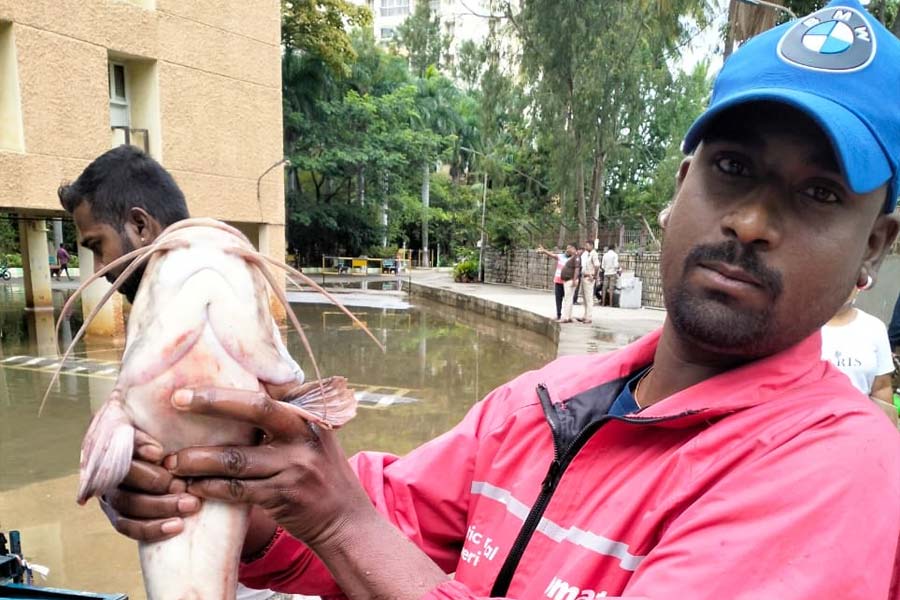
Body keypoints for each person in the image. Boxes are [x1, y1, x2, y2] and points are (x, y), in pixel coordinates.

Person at [96, 2, 900, 598]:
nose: (753, 221)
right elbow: (387, 519)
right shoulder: (541, 404)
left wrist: (345, 523)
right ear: (683, 181)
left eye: (820, 193)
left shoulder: (841, 471)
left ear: (875, 244)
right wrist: (210, 482)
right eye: (732, 168)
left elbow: (357, 525)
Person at [57, 144, 290, 600]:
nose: (101, 268)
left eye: (96, 246)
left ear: (140, 225)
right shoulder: (220, 283)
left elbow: (293, 407)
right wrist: (116, 485)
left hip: (270, 576)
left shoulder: (202, 278)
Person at [821, 287, 896, 424]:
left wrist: (889, 432)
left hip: (860, 426)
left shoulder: (874, 328)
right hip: (811, 429)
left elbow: (881, 387)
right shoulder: (802, 328)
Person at [536, 244, 573, 321]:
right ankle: (558, 314)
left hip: (567, 282)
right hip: (558, 281)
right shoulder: (561, 256)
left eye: (569, 248)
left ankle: (568, 316)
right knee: (558, 299)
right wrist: (544, 251)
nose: (567, 250)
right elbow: (551, 255)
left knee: (568, 300)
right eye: (567, 248)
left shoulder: (573, 259)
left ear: (572, 250)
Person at [578, 240, 600, 323]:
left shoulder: (594, 254)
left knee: (589, 298)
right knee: (584, 298)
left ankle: (589, 317)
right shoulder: (588, 254)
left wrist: (594, 275)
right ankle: (585, 315)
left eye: (587, 245)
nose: (585, 247)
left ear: (591, 245)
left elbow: (597, 265)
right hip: (584, 276)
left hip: (589, 277)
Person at [600, 243, 619, 307]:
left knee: (604, 288)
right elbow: (616, 265)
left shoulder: (605, 255)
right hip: (613, 273)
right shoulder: (615, 255)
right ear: (614, 248)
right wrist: (618, 268)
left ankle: (603, 303)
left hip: (606, 273)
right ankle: (610, 303)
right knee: (611, 289)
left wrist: (606, 269)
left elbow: (602, 266)